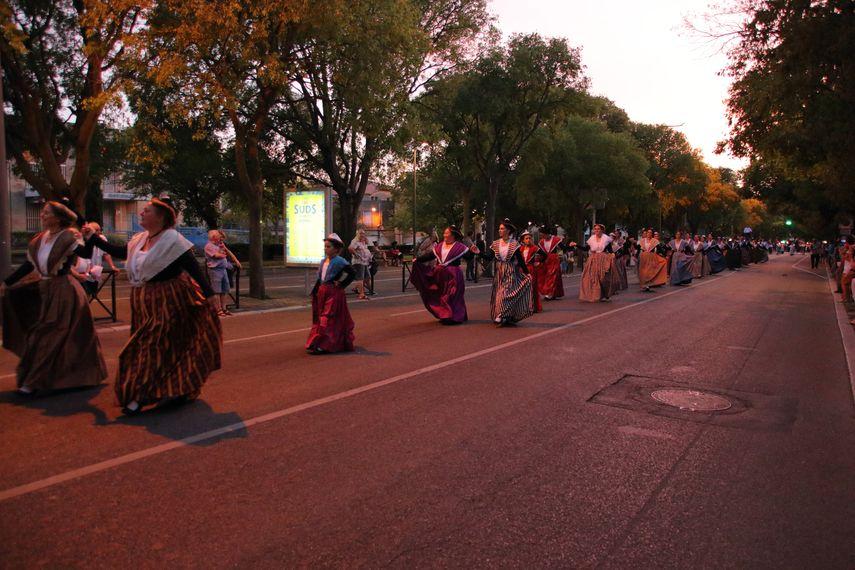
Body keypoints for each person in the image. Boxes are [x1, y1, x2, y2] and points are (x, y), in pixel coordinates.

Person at [82, 197, 222, 415]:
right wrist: (93, 238)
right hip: (144, 301)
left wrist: (210, 295)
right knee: (159, 347)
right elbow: (120, 252)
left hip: (170, 299)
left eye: (146, 211)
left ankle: (139, 395)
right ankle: (173, 387)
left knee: (149, 346)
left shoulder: (174, 241)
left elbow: (193, 267)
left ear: (161, 217)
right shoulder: (140, 239)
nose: (141, 213)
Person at [1, 201, 108, 395]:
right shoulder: (39, 239)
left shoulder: (68, 236)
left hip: (64, 292)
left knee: (53, 334)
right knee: (46, 335)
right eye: (42, 213)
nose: (42, 215)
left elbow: (85, 253)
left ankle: (35, 381)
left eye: (46, 213)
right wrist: (7, 282)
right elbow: (28, 265)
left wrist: (89, 237)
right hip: (45, 289)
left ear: (58, 218)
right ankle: (58, 378)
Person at [410, 225, 478, 324]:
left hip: (454, 274)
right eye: (444, 233)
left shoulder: (460, 247)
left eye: (447, 233)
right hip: (440, 275)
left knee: (452, 295)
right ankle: (446, 315)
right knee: (441, 294)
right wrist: (418, 259)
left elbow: (468, 258)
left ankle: (454, 317)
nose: (444, 235)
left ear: (453, 235)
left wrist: (473, 252)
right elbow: (430, 256)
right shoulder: (440, 246)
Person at [306, 234, 356, 353]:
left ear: (336, 249)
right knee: (320, 317)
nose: (326, 249)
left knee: (327, 318)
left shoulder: (340, 261)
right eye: (325, 246)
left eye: (328, 247)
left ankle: (324, 345)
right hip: (322, 292)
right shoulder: (324, 261)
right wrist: (315, 292)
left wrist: (341, 283)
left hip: (333, 292)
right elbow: (320, 279)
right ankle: (318, 342)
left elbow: (352, 273)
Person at [480, 219, 534, 326]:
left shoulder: (514, 244)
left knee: (504, 294)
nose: (499, 230)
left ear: (508, 230)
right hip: (499, 272)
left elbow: (520, 260)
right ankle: (507, 315)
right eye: (499, 229)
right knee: (499, 293)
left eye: (502, 228)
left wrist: (527, 273)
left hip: (511, 271)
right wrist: (478, 252)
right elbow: (489, 257)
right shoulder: (495, 244)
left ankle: (500, 315)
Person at [579, 223, 615, 302]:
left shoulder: (606, 239)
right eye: (595, 229)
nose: (597, 230)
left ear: (602, 230)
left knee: (603, 278)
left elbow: (610, 250)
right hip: (593, 260)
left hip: (603, 260)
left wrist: (612, 254)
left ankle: (605, 293)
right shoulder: (591, 239)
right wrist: (576, 245)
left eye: (598, 229)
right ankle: (596, 295)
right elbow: (585, 249)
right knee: (593, 278)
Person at [205, 229, 236, 317]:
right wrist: (222, 252)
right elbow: (218, 255)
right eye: (219, 235)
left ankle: (224, 308)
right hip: (215, 270)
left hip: (223, 269)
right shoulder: (209, 246)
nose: (220, 237)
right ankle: (218, 310)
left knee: (225, 290)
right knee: (217, 291)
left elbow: (225, 253)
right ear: (214, 237)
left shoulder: (219, 244)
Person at [537, 225, 567, 300]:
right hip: (545, 260)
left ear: (546, 233)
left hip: (554, 260)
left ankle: (548, 294)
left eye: (542, 233)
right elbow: (539, 252)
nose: (541, 235)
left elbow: (563, 248)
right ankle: (553, 293)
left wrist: (561, 255)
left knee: (552, 276)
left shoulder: (556, 240)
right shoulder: (541, 242)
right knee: (544, 276)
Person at [519, 230, 546, 313]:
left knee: (532, 288)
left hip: (531, 270)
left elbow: (544, 255)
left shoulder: (535, 248)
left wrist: (539, 262)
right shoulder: (521, 249)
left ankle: (533, 307)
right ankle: (523, 306)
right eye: (526, 238)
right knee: (521, 289)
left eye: (530, 238)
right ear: (523, 240)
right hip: (522, 270)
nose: (528, 240)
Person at [348, 229, 372, 300]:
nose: (362, 234)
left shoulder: (363, 241)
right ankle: (361, 293)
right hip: (358, 262)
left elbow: (366, 248)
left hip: (364, 262)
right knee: (360, 278)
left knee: (367, 277)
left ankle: (361, 289)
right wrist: (355, 254)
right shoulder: (355, 241)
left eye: (363, 233)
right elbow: (350, 248)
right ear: (357, 234)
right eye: (361, 233)